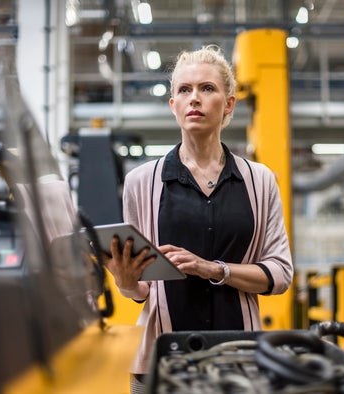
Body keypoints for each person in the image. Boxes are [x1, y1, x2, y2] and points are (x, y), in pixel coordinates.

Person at [104, 45, 293, 392]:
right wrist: (126, 282)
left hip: (240, 361)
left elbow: (280, 273)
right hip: (161, 362)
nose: (195, 99)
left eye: (207, 89)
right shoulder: (141, 182)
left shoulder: (260, 180)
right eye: (184, 90)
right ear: (173, 104)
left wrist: (214, 269)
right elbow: (142, 289)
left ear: (229, 104)